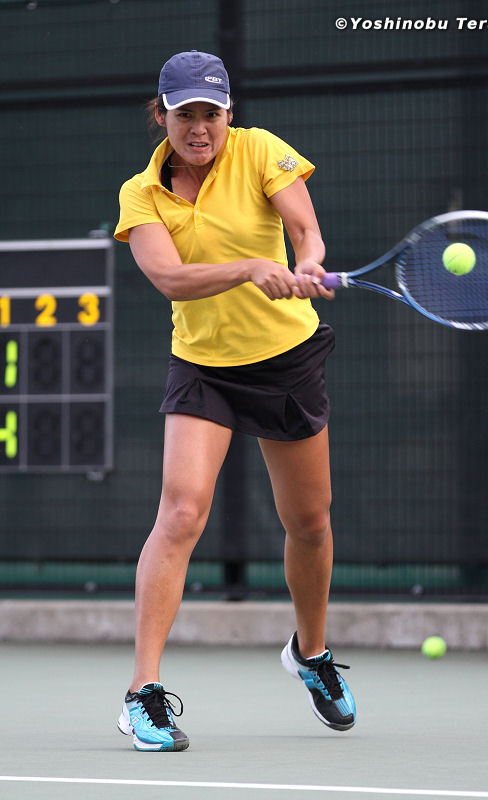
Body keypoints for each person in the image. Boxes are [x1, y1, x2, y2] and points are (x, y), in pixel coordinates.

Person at [114, 50, 356, 752]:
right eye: (184, 114)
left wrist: (307, 261)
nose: (199, 128)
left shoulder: (259, 151)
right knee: (181, 512)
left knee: (310, 522)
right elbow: (169, 278)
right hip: (204, 368)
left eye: (211, 114)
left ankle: (310, 654)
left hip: (287, 359)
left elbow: (304, 229)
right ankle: (141, 695)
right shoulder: (141, 193)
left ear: (229, 114)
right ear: (161, 115)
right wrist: (252, 267)